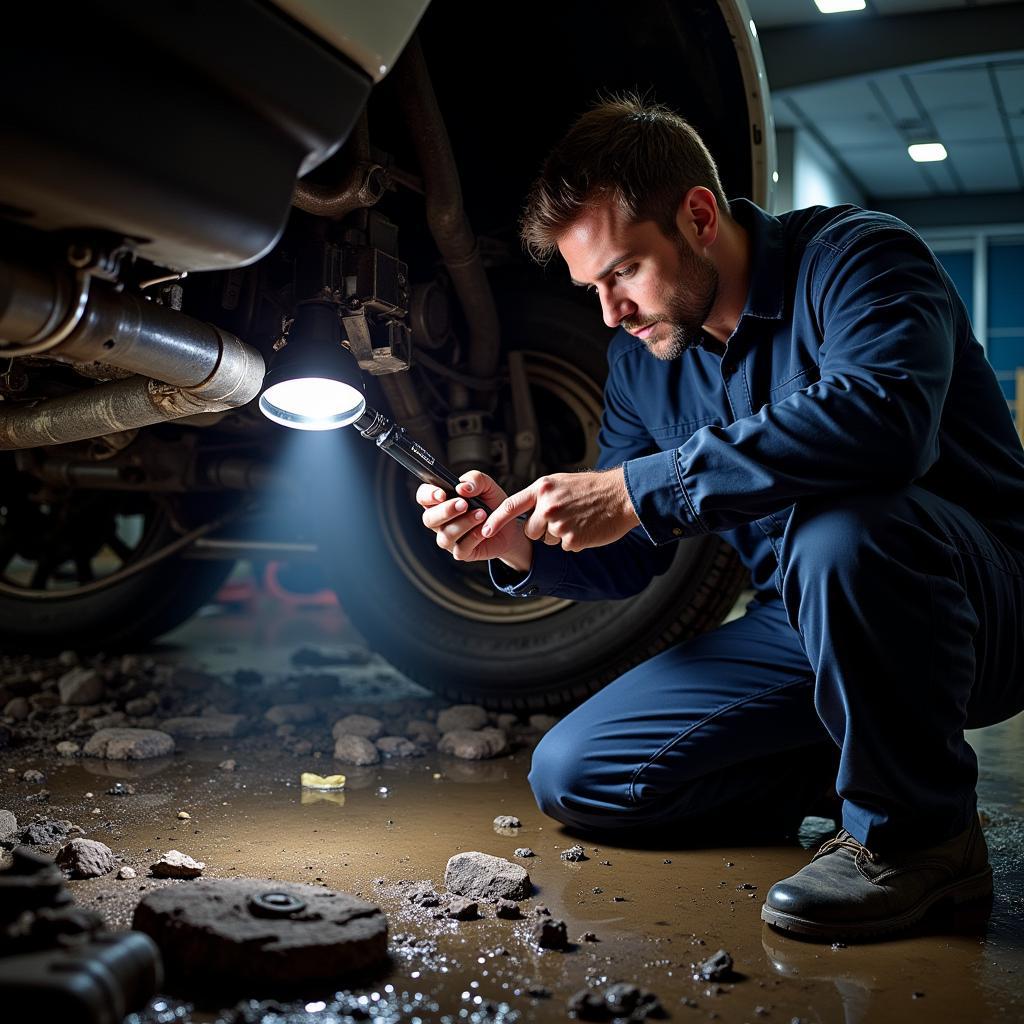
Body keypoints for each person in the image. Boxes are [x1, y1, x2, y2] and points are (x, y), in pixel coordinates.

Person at [415, 94, 1024, 941]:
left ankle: (921, 840)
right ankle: (853, 760)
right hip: (799, 628)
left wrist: (637, 489)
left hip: (972, 603)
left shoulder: (861, 258)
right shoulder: (643, 363)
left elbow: (883, 426)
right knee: (576, 773)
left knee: (838, 528)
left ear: (698, 216)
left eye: (622, 273)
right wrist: (520, 545)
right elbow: (632, 554)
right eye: (591, 288)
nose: (610, 314)